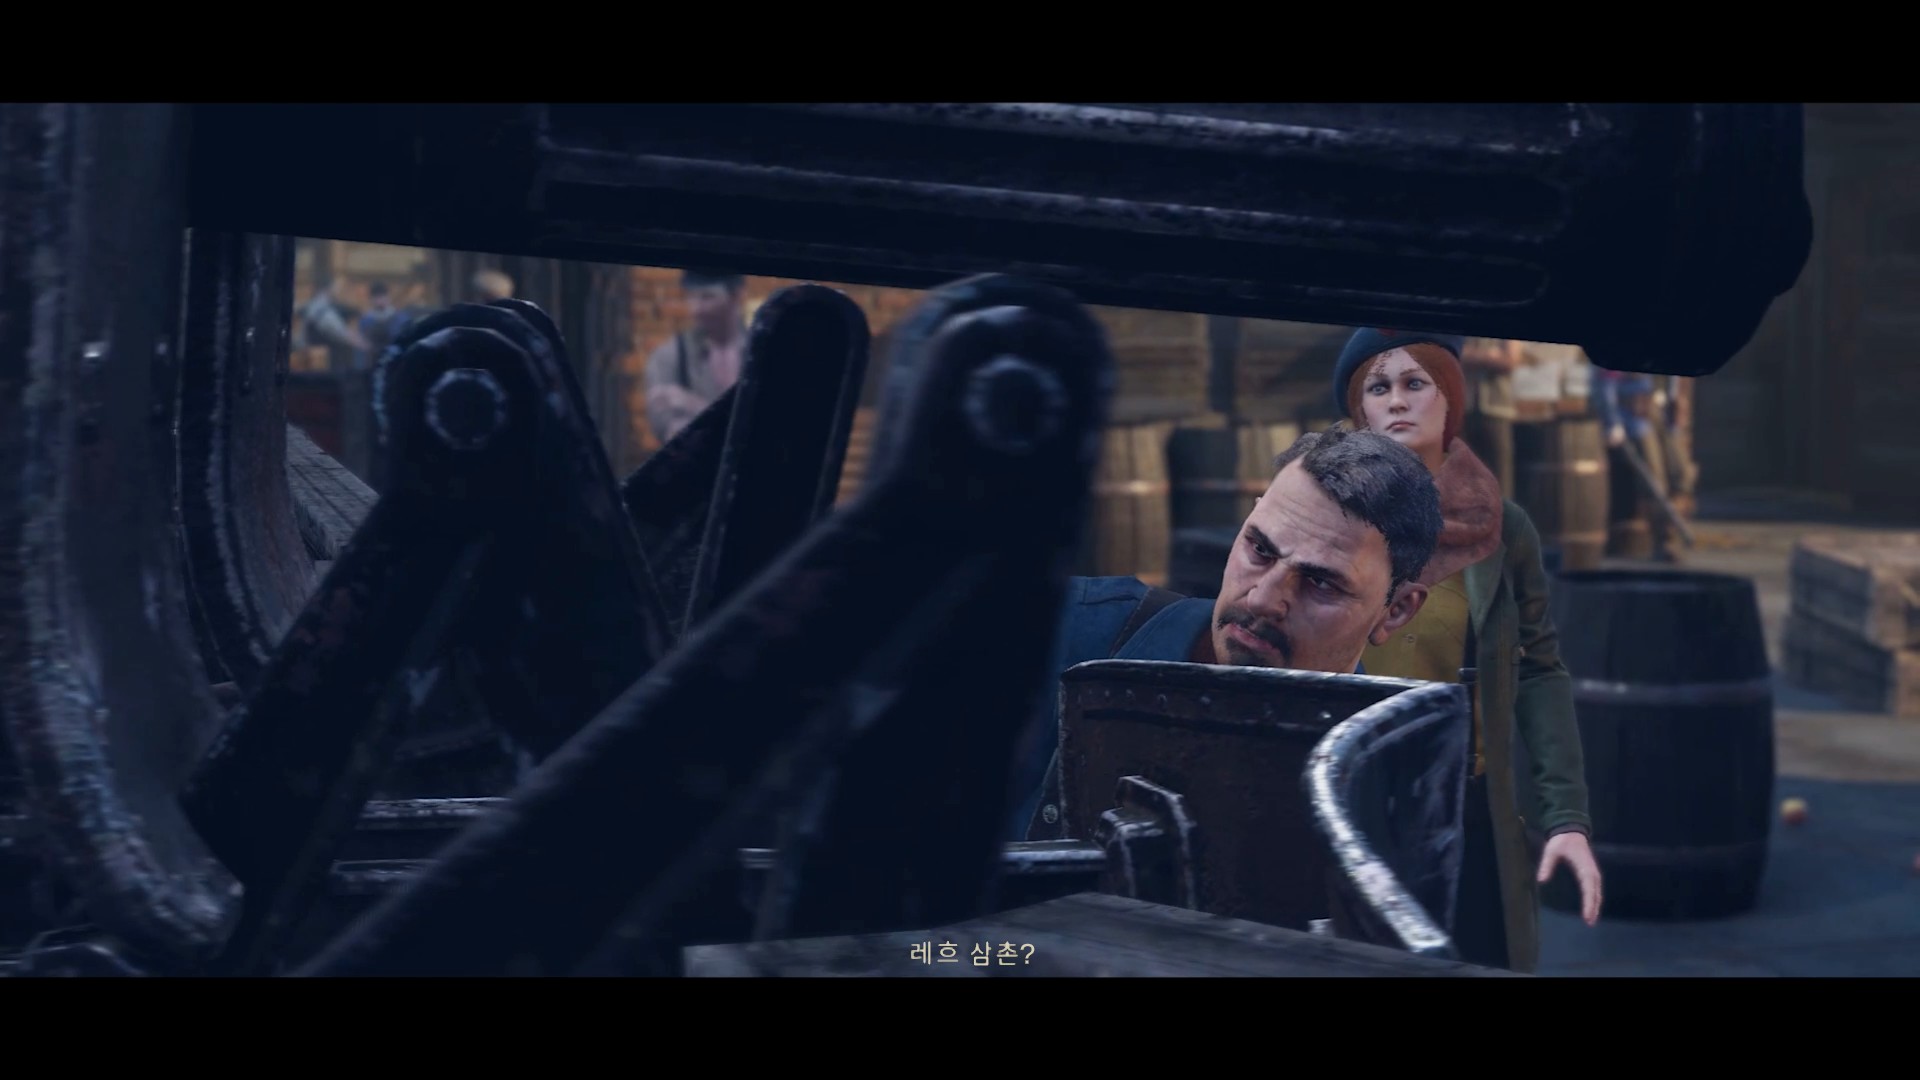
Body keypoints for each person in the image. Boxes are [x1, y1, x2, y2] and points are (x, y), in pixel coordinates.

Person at [1014, 425, 1442, 839]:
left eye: (1321, 582)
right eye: (1260, 549)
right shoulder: (1064, 630)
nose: (1262, 600)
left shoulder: (1384, 790)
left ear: (1395, 611)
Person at [1334, 327, 1600, 973]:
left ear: (1450, 398)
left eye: (1415, 383)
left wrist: (1566, 818)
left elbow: (1539, 671)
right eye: (1379, 387)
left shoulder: (1502, 528)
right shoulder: (1325, 516)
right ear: (1360, 409)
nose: (1398, 401)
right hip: (1355, 804)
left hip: (1469, 806)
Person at [644, 269, 749, 443]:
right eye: (691, 297)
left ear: (736, 296)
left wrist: (694, 404)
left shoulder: (761, 354)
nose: (696, 309)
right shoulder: (671, 356)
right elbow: (671, 433)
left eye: (707, 297)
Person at [1591, 366, 1682, 562]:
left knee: (1680, 474)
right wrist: (1612, 421)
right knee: (1655, 482)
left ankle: (1673, 533)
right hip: (1634, 416)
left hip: (1660, 413)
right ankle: (1665, 540)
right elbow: (1605, 380)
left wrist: (1672, 402)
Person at [1458, 337, 1524, 499]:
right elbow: (1454, 353)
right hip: (1465, 409)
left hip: (1497, 410)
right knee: (1466, 479)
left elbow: (1511, 360)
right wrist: (1490, 356)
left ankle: (1501, 516)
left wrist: (1472, 356)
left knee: (1499, 479)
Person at [298, 278, 368, 371]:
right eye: (336, 288)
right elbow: (341, 333)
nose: (338, 291)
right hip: (323, 363)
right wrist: (362, 344)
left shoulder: (316, 306)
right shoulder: (321, 309)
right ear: (327, 289)